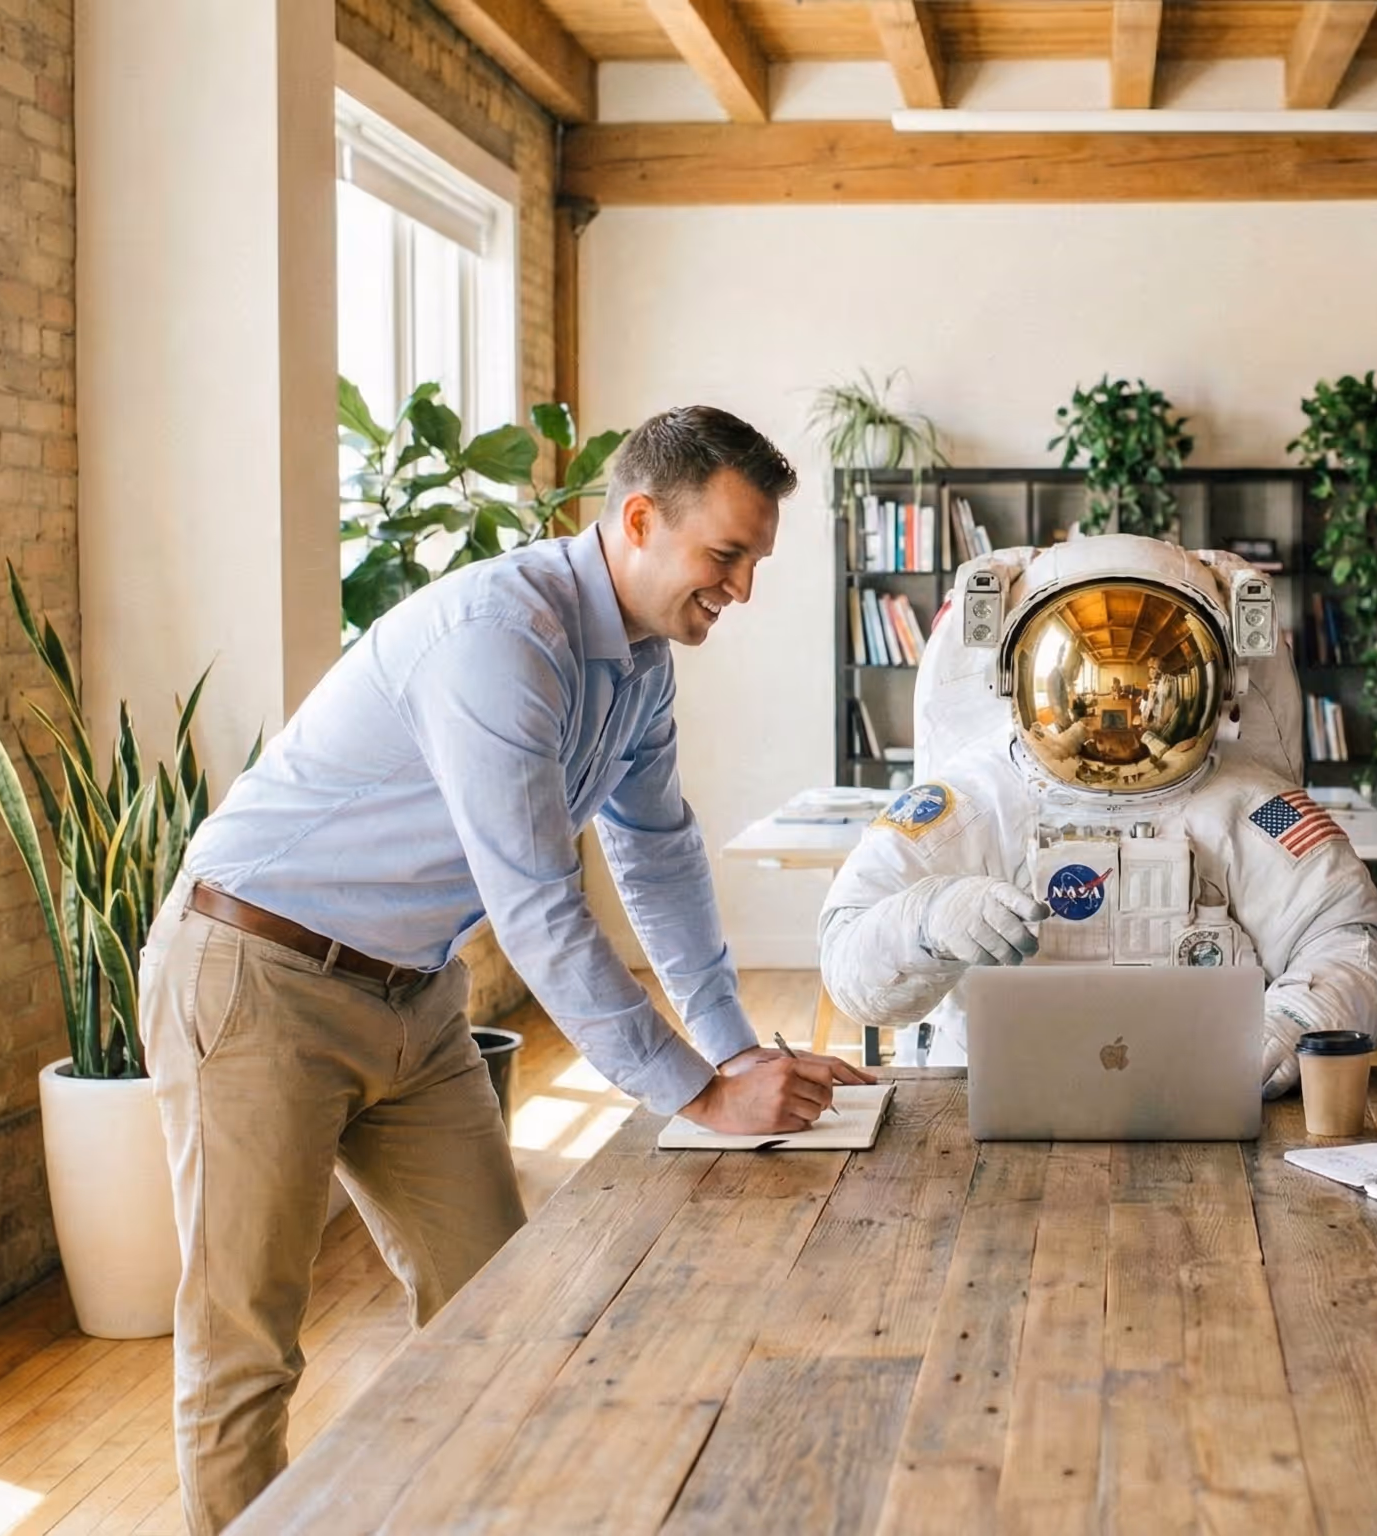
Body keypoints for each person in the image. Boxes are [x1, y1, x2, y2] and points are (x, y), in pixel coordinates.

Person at [139, 406, 870, 1532]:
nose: (742, 589)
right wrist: (697, 1092)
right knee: (247, 1345)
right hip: (258, 976)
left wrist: (732, 1043)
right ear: (638, 520)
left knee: (501, 1305)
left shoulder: (637, 663)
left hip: (409, 992)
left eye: (754, 561)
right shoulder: (499, 637)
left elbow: (656, 849)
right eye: (727, 556)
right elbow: (536, 904)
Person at [817, 533, 1377, 1086]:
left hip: (1209, 1090)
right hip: (982, 1094)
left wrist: (1293, 1023)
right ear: (1012, 677)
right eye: (1086, 684)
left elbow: (1348, 940)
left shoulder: (1255, 808)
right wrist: (927, 919)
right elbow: (847, 965)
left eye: (1150, 681)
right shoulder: (970, 804)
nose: (1118, 720)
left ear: (1223, 682)